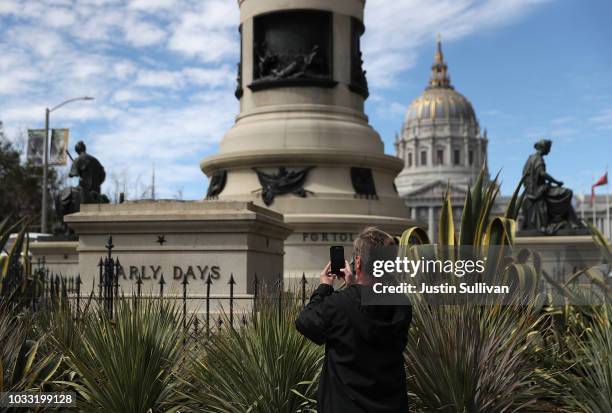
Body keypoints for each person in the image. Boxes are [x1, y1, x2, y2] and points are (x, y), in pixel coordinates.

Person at [295, 227, 412, 413]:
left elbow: (305, 321)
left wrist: (325, 287)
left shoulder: (339, 305)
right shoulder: (402, 305)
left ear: (357, 262)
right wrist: (354, 288)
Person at [522, 139, 581, 234]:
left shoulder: (531, 158)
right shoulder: (538, 158)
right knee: (567, 192)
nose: (549, 151)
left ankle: (571, 222)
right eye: (549, 148)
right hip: (538, 192)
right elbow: (542, 173)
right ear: (543, 148)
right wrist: (557, 182)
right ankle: (560, 219)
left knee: (565, 193)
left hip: (534, 190)